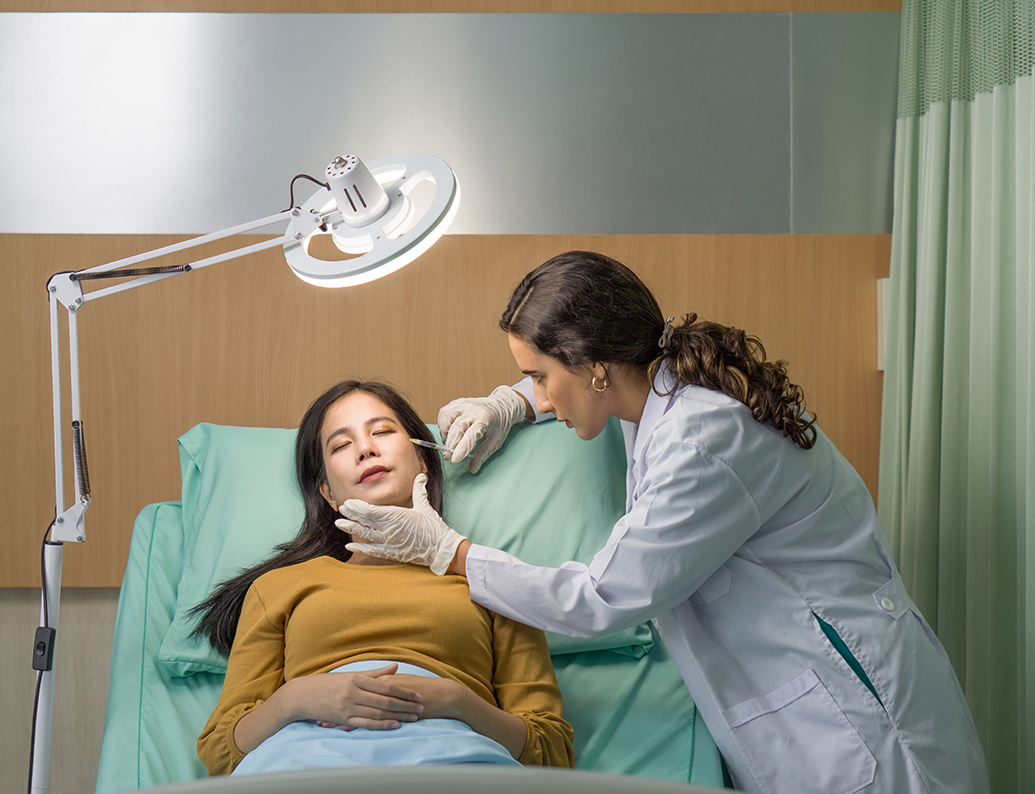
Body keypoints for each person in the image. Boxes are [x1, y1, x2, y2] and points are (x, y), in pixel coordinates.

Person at [335, 252, 990, 793]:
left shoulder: (703, 439)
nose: (539, 392)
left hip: (853, 717)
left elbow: (601, 598)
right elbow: (572, 392)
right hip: (804, 704)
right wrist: (511, 402)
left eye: (537, 375)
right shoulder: (654, 388)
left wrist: (448, 551)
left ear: (594, 366)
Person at [191, 379, 574, 777]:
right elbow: (221, 750)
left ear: (424, 460)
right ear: (328, 493)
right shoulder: (278, 587)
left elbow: (551, 750)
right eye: (341, 445)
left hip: (455, 767)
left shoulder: (493, 577)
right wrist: (295, 699)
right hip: (304, 768)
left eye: (383, 431)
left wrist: (455, 700)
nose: (365, 449)